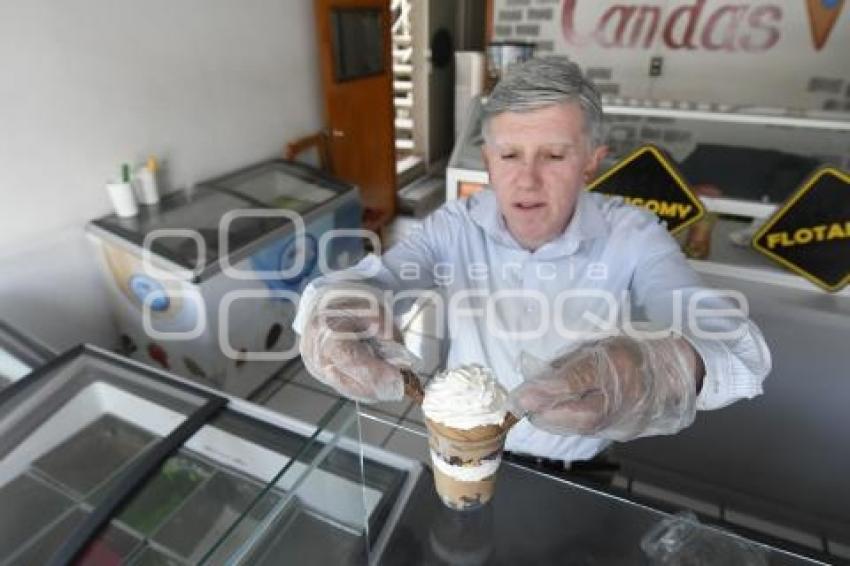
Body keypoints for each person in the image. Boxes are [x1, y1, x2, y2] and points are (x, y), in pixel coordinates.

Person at [293, 56, 771, 462]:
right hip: (464, 450)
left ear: (591, 160)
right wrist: (338, 306)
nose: (527, 180)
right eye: (509, 156)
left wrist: (665, 365)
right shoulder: (455, 225)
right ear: (487, 161)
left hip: (578, 466)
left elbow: (738, 349)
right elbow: (386, 279)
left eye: (554, 156)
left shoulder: (634, 234)